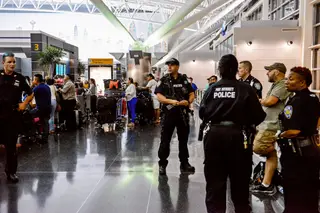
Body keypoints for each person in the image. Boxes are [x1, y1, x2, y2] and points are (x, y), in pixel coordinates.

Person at [199, 54, 266, 213]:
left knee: (215, 181)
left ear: (219, 70)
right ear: (236, 70)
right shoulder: (245, 88)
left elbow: (202, 113)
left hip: (214, 136)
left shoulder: (212, 89)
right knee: (240, 181)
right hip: (238, 137)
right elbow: (259, 115)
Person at [277, 66, 320, 213]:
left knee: (294, 189)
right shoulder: (313, 98)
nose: (286, 82)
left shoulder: (297, 101)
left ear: (302, 83)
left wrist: (278, 136)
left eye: (291, 79)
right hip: (312, 151)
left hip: (296, 154)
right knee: (310, 190)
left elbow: (294, 131)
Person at [251, 63, 291, 195]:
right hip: (266, 123)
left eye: (269, 71)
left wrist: (260, 100)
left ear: (277, 71)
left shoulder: (283, 85)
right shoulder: (276, 85)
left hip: (272, 126)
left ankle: (276, 155)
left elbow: (270, 101)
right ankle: (266, 184)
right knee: (270, 154)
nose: (267, 73)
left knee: (258, 147)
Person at [155, 58, 195, 175]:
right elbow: (159, 96)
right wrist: (172, 102)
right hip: (169, 114)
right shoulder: (164, 79)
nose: (169, 67)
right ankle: (162, 163)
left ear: (177, 66)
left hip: (182, 115)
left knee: (183, 141)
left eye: (172, 65)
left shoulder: (184, 79)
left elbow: (191, 93)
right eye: (168, 65)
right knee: (165, 140)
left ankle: (184, 163)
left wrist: (188, 102)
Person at [0, 52, 33, 183]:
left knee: (11, 147)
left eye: (13, 62)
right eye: (9, 62)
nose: (12, 64)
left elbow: (30, 93)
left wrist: (24, 103)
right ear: (3, 63)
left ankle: (11, 172)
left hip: (12, 116)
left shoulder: (19, 78)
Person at [32, 74, 52, 143]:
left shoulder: (37, 88)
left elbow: (29, 95)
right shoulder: (47, 87)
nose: (32, 81)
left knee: (28, 116)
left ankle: (33, 134)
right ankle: (45, 138)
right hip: (48, 108)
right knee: (45, 122)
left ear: (36, 80)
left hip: (40, 109)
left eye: (33, 79)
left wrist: (31, 86)